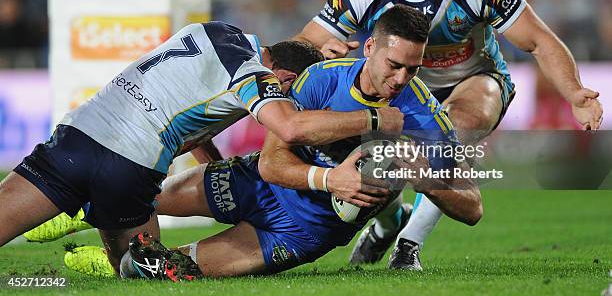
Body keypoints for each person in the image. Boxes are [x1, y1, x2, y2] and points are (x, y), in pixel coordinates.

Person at [293, 0, 603, 270]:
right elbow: (303, 43)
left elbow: (538, 40)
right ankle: (388, 222)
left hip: (475, 79)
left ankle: (408, 245)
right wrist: (316, 51)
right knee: (372, 154)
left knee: (457, 127)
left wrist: (575, 93)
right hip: (402, 89)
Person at [77, 5, 481, 280]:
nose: (401, 80)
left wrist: (422, 175)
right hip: (258, 181)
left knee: (165, 270)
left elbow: (472, 207)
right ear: (371, 48)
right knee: (135, 197)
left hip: (301, 231)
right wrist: (330, 179)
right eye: (394, 65)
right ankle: (72, 210)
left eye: (413, 69)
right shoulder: (322, 78)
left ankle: (112, 265)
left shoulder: (424, 116)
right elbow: (272, 163)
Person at [0, 21, 406, 274]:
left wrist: (217, 168)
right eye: (289, 91)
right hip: (131, 165)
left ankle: (81, 213)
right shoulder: (258, 77)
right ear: (281, 77)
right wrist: (373, 119)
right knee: (144, 275)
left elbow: (194, 117)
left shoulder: (211, 30)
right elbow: (290, 125)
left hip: (77, 135)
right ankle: (99, 232)